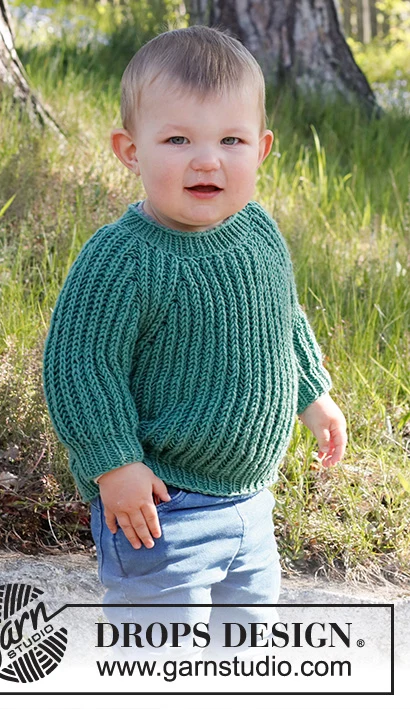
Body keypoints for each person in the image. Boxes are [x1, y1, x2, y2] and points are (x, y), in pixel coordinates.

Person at [42, 25, 347, 661]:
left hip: (251, 503)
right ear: (131, 151)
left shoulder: (258, 231)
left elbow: (282, 320)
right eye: (178, 139)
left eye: (231, 140)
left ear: (261, 148)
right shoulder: (123, 259)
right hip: (162, 508)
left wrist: (312, 394)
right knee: (160, 654)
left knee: (248, 645)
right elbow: (80, 367)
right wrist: (113, 464)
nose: (207, 160)